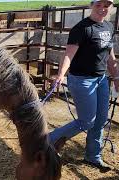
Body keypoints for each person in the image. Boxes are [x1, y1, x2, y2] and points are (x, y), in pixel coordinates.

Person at [49, 0, 119, 172]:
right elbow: (68, 55)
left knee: (101, 120)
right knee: (87, 121)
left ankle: (93, 156)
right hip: (81, 79)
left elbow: (109, 55)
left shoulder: (109, 27)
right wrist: (60, 75)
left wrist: (116, 75)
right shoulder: (82, 28)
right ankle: (47, 140)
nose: (103, 9)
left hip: (101, 79)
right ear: (91, 6)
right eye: (99, 5)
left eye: (106, 5)